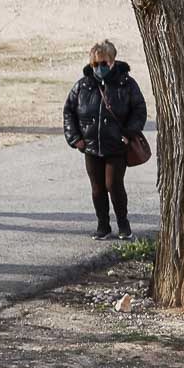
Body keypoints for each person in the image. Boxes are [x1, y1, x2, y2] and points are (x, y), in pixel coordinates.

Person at [62, 39, 146, 240]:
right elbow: (69, 112)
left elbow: (139, 110)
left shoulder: (127, 84)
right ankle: (103, 225)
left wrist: (128, 134)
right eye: (95, 64)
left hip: (116, 146)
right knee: (97, 188)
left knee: (113, 185)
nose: (99, 68)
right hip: (91, 147)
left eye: (103, 63)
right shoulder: (82, 86)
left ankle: (123, 224)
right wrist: (75, 139)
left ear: (113, 61)